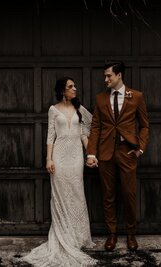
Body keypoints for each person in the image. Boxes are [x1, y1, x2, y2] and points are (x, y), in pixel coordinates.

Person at [23, 77, 97, 266]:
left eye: (74, 86)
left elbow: (85, 134)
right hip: (60, 156)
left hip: (76, 157)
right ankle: (64, 236)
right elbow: (50, 136)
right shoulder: (53, 110)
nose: (75, 88)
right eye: (70, 87)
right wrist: (49, 158)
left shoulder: (80, 110)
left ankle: (78, 238)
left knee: (77, 194)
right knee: (61, 196)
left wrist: (91, 154)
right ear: (62, 91)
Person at [86, 61, 149, 252]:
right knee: (108, 196)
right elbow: (95, 126)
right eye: (105, 76)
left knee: (129, 195)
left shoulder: (136, 96)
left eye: (109, 76)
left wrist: (140, 148)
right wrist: (91, 153)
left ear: (119, 75)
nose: (105, 79)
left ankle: (131, 234)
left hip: (127, 152)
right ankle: (111, 234)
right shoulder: (100, 98)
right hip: (105, 154)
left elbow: (144, 125)